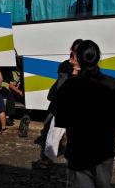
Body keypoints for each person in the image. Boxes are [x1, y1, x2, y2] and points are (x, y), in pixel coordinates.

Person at [49, 40, 115, 188]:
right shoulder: (112, 83)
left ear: (77, 59)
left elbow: (60, 118)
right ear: (98, 57)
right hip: (105, 150)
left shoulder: (70, 86)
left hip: (79, 152)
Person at [35, 39, 83, 169]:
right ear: (71, 51)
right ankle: (47, 158)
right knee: (54, 132)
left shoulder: (88, 66)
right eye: (76, 50)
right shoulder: (64, 66)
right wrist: (74, 71)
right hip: (64, 105)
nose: (77, 53)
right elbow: (63, 88)